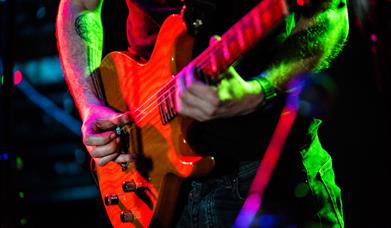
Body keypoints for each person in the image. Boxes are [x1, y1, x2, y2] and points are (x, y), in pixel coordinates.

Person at [56, 0, 349, 227]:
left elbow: (329, 13)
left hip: (266, 171)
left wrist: (261, 90)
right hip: (147, 170)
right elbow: (79, 6)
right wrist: (90, 104)